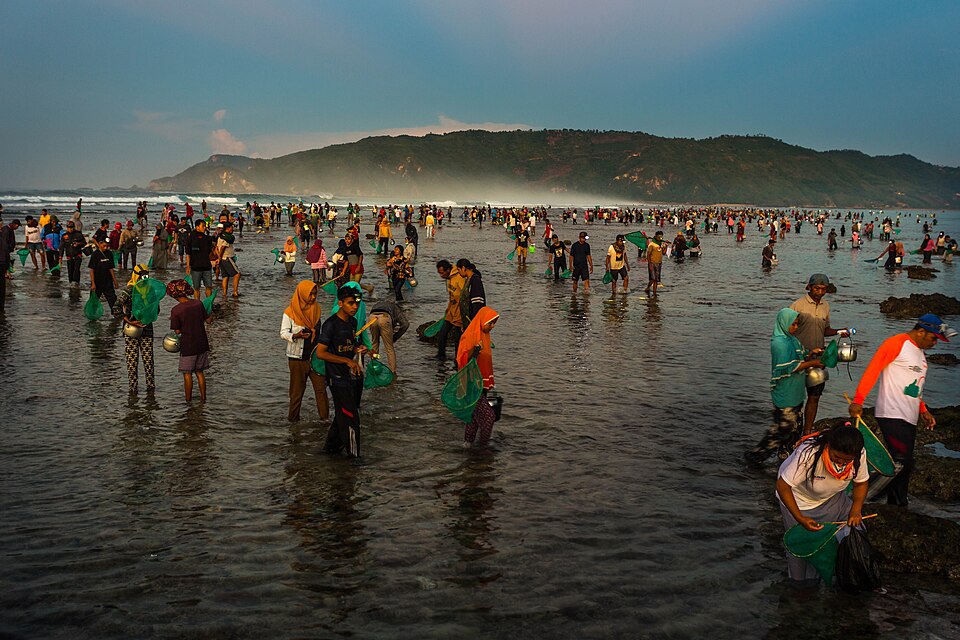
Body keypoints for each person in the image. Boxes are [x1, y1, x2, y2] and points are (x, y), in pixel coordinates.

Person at [848, 314, 952, 507]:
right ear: (921, 331)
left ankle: (898, 505)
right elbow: (874, 369)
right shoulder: (896, 343)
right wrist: (858, 400)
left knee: (904, 464)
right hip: (891, 413)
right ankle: (860, 498)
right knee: (902, 461)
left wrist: (923, 410)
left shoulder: (920, 354)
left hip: (909, 417)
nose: (935, 343)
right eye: (933, 338)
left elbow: (913, 386)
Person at [776, 425, 868, 587]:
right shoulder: (809, 454)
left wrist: (856, 509)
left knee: (851, 533)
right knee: (802, 548)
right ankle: (798, 587)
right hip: (798, 500)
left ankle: (839, 575)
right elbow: (783, 486)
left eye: (847, 460)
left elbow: (860, 483)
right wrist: (800, 518)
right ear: (829, 446)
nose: (841, 463)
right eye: (836, 457)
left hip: (831, 498)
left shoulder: (858, 454)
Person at [746, 309, 825, 466]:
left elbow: (799, 357)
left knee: (793, 428)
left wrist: (811, 354)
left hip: (795, 391)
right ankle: (756, 457)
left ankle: (785, 460)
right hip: (785, 392)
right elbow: (787, 366)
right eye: (792, 324)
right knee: (783, 428)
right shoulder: (779, 343)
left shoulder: (792, 340)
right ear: (784, 323)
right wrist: (813, 363)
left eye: (797, 324)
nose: (795, 327)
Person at [789, 274, 850, 433]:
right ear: (809, 287)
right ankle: (793, 432)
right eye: (817, 288)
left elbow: (825, 330)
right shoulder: (798, 306)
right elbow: (787, 331)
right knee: (795, 399)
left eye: (823, 289)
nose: (820, 292)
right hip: (799, 359)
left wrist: (839, 331)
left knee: (814, 396)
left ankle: (807, 431)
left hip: (818, 359)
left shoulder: (825, 306)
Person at [315, 286, 367, 458]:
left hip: (349, 376)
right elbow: (321, 353)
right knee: (351, 417)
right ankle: (354, 456)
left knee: (342, 415)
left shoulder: (352, 323)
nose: (355, 307)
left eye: (357, 303)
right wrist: (346, 361)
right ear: (340, 303)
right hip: (336, 377)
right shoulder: (330, 325)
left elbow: (349, 346)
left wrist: (359, 349)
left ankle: (330, 449)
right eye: (350, 303)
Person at [280, 281, 329, 422]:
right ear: (302, 294)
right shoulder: (290, 313)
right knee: (297, 393)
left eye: (315, 294)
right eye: (310, 294)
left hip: (316, 358)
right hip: (297, 359)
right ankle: (293, 421)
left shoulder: (316, 310)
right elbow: (283, 333)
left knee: (321, 390)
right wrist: (296, 335)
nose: (313, 297)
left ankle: (325, 421)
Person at [456, 307, 500, 447]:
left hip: (481, 383)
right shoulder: (470, 336)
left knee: (474, 417)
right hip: (472, 384)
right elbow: (462, 359)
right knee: (489, 417)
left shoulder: (484, 336)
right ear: (483, 321)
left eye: (494, 323)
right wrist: (475, 350)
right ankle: (483, 448)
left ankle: (468, 444)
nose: (492, 326)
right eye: (490, 323)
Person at [113, 264, 157, 394]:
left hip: (145, 330)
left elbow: (156, 309)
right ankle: (135, 392)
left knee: (147, 362)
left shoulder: (150, 291)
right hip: (132, 330)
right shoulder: (129, 290)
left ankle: (148, 392)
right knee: (134, 363)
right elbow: (116, 308)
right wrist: (129, 320)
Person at [167, 279, 211, 403]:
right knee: (200, 373)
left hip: (188, 346)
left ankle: (188, 401)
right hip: (202, 343)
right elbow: (208, 320)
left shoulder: (176, 310)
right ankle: (203, 399)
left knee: (187, 374)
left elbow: (177, 331)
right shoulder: (198, 303)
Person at [368, 299, 409, 373]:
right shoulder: (395, 308)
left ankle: (374, 367)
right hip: (385, 317)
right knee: (389, 348)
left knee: (374, 344)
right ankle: (392, 372)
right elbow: (405, 324)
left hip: (372, 317)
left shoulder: (377, 304)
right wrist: (396, 337)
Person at [435, 259, 466, 359]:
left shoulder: (459, 277)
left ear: (448, 270)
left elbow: (465, 296)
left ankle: (458, 359)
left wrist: (464, 315)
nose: (441, 276)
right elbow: (452, 296)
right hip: (451, 311)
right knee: (442, 333)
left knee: (458, 338)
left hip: (459, 312)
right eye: (439, 273)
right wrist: (448, 308)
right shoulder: (449, 278)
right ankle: (441, 356)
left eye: (442, 273)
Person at [88, 234, 119, 311]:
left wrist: (115, 281)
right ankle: (93, 315)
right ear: (99, 243)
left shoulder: (109, 254)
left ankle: (115, 314)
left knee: (113, 299)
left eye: (107, 246)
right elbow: (91, 270)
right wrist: (93, 283)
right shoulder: (95, 254)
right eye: (104, 246)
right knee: (94, 301)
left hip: (107, 281)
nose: (105, 248)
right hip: (97, 281)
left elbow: (111, 268)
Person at [186, 219, 214, 300]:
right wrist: (188, 266)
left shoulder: (208, 238)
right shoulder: (191, 238)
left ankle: (209, 304)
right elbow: (188, 253)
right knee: (196, 288)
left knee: (209, 286)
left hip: (207, 266)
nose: (204, 228)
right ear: (197, 227)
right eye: (203, 226)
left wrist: (215, 259)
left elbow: (210, 252)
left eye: (205, 226)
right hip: (195, 267)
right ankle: (197, 304)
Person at [457, 259, 486, 327]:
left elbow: (478, 303)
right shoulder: (468, 280)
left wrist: (474, 322)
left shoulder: (475, 280)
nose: (458, 272)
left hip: (474, 321)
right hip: (468, 321)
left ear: (463, 268)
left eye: (458, 269)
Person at [0, 219, 21, 314]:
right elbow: (5, 244)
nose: (17, 227)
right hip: (3, 258)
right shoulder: (5, 231)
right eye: (17, 226)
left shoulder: (9, 230)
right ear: (14, 224)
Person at [217, 221, 241, 297]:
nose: (232, 229)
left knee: (225, 276)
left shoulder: (220, 236)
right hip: (227, 258)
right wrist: (220, 257)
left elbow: (217, 248)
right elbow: (222, 248)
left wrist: (219, 258)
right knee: (237, 274)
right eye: (231, 227)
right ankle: (235, 292)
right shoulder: (226, 237)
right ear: (228, 228)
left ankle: (224, 294)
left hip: (223, 259)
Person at [644, 231, 664, 295]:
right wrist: (649, 264)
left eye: (661, 237)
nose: (660, 238)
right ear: (656, 236)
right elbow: (648, 255)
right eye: (659, 237)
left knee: (656, 280)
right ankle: (648, 287)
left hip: (659, 263)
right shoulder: (651, 244)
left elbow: (663, 253)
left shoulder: (661, 244)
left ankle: (654, 293)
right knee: (652, 279)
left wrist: (665, 246)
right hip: (652, 263)